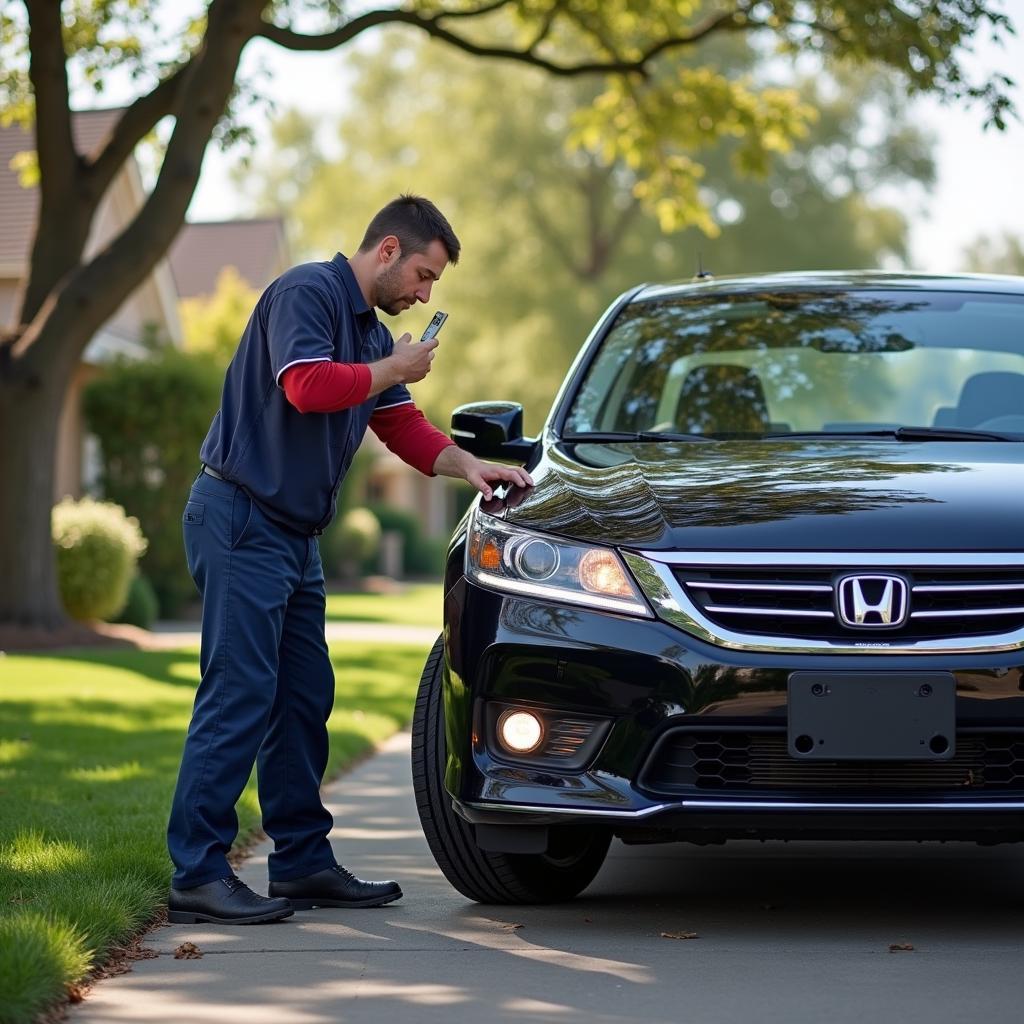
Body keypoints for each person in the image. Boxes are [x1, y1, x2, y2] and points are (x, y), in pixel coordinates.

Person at [166, 194, 533, 925]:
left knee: (304, 699)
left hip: (293, 537)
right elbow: (305, 387)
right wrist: (392, 365)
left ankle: (301, 862)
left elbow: (398, 424)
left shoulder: (368, 332)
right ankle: (197, 874)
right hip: (241, 518)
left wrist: (470, 466)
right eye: (424, 275)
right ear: (389, 250)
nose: (426, 294)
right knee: (239, 693)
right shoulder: (306, 291)